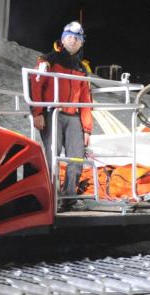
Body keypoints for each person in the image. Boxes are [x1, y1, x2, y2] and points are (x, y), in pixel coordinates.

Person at [30, 20, 93, 211]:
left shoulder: (82, 69)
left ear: (82, 42)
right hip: (52, 114)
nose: (73, 41)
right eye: (69, 37)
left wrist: (87, 129)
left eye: (77, 38)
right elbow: (36, 85)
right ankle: (52, 196)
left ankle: (68, 197)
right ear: (63, 40)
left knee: (76, 157)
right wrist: (38, 112)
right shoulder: (48, 60)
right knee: (53, 155)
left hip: (73, 117)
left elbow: (86, 100)